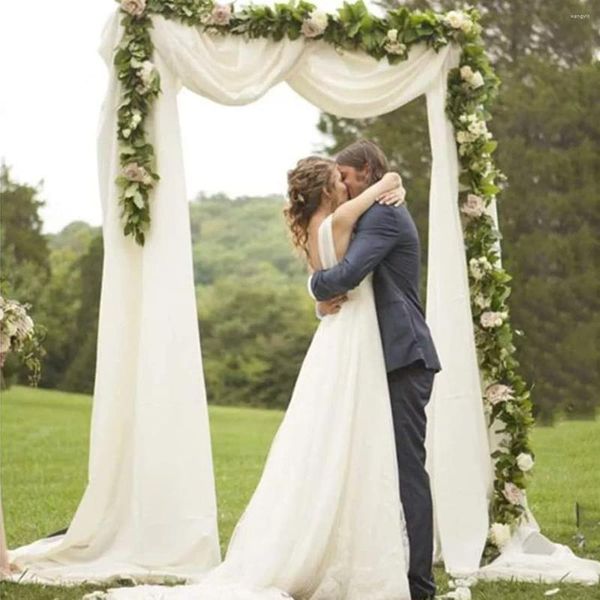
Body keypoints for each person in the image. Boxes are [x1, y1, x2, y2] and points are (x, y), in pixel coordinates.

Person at [103, 156, 411, 600]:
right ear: (329, 190)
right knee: (356, 432)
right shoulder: (344, 217)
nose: (346, 184)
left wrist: (317, 299)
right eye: (339, 179)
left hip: (332, 335)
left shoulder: (309, 234)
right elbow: (381, 189)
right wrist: (394, 181)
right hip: (355, 336)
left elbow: (319, 284)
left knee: (322, 435)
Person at [310, 140, 442, 600]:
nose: (342, 186)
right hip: (378, 356)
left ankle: (419, 583)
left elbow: (346, 276)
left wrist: (313, 286)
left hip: (404, 355)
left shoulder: (383, 215)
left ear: (365, 170)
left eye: (345, 177)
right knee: (377, 467)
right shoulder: (372, 208)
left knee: (407, 470)